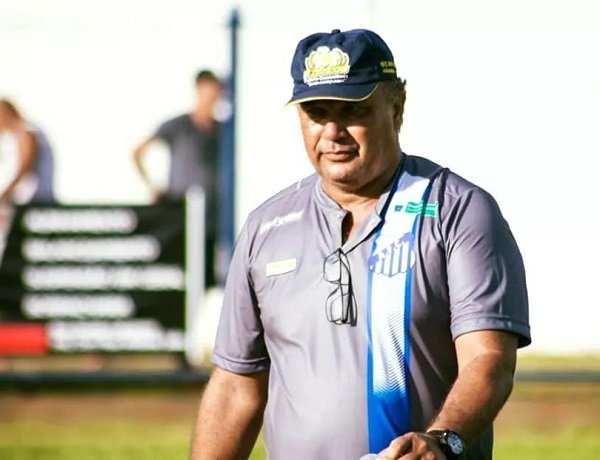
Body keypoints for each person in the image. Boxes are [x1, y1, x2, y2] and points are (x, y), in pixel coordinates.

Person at [190, 28, 531, 460]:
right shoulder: (266, 227)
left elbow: (488, 360)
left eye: (354, 110)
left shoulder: (457, 210)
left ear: (397, 106)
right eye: (316, 112)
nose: (333, 132)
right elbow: (236, 386)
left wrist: (444, 440)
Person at [132, 69, 223, 288]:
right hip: (180, 216)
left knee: (207, 280)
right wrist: (152, 186)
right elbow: (138, 152)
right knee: (177, 276)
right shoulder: (178, 126)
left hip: (211, 219)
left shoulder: (221, 130)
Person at [0, 98, 55, 204]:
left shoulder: (26, 132)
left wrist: (6, 194)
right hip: (27, 200)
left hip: (33, 201)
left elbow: (24, 168)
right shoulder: (15, 136)